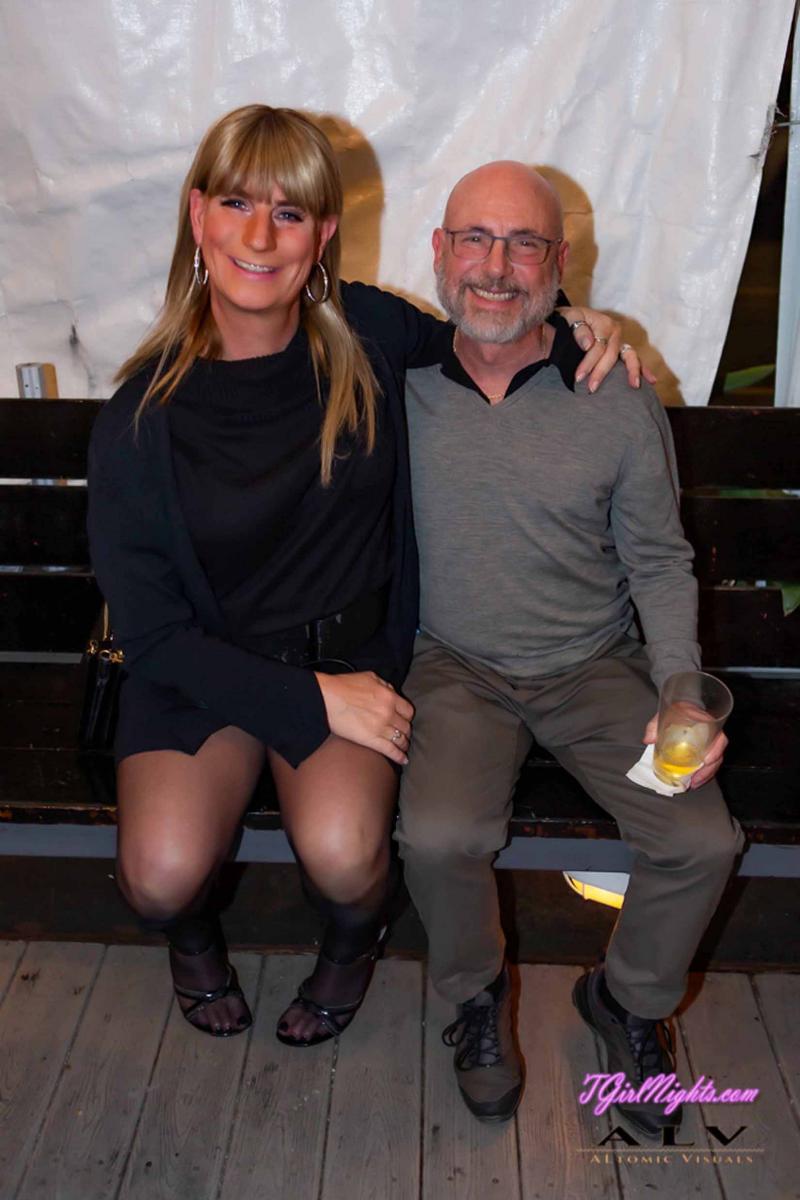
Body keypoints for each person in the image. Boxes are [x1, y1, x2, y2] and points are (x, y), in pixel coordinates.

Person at [86, 109, 632, 1047]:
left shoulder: (367, 331)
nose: (261, 237)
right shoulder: (141, 414)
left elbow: (493, 316)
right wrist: (310, 701)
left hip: (347, 661)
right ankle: (191, 938)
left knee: (346, 860)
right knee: (159, 876)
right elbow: (153, 634)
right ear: (197, 215)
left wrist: (577, 316)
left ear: (324, 233)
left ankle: (351, 944)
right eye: (236, 205)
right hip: (205, 673)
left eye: (290, 213)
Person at [395, 161, 745, 1132]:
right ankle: (474, 998)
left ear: (558, 263)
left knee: (699, 839)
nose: (494, 266)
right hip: (452, 666)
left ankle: (625, 1000)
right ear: (440, 251)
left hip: (594, 665)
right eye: (474, 238)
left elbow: (658, 560)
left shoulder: (611, 389)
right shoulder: (394, 379)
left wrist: (678, 688)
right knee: (438, 835)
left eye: (523, 244)